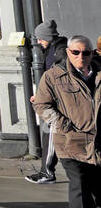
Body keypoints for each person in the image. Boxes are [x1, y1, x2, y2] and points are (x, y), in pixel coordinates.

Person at [32, 35, 101, 208]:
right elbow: (42, 105)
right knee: (80, 186)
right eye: (76, 52)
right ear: (68, 53)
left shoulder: (99, 73)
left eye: (86, 52)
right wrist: (64, 125)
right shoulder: (54, 76)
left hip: (98, 142)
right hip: (71, 142)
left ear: (92, 53)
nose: (82, 57)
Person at [26, 20, 68, 184]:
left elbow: (58, 80)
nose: (38, 41)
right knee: (48, 133)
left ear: (48, 37)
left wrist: (43, 96)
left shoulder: (60, 52)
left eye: (40, 38)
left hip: (58, 102)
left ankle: (47, 172)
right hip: (52, 100)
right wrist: (40, 95)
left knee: (51, 131)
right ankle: (47, 170)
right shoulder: (53, 50)